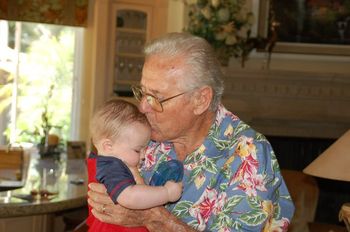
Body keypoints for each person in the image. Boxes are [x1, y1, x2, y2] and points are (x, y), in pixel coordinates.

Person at [88, 32, 295, 231]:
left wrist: (152, 218)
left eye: (156, 98)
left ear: (200, 100)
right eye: (142, 92)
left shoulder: (249, 154)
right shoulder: (142, 134)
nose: (143, 107)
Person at [87, 99, 183, 232]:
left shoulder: (106, 162)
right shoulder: (111, 167)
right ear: (108, 146)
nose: (143, 155)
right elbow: (129, 196)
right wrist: (166, 193)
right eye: (138, 150)